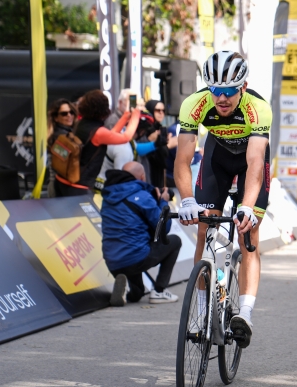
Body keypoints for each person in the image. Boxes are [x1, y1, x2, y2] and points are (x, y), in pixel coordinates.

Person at [175, 51, 272, 348]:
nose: (222, 98)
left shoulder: (258, 109)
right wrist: (188, 200)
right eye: (216, 91)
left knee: (248, 234)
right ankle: (204, 311)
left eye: (230, 91)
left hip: (249, 164)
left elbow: (255, 162)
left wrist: (246, 206)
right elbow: (182, 160)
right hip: (217, 158)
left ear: (243, 87)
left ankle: (244, 314)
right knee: (204, 228)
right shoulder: (195, 104)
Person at [103, 161, 182, 306]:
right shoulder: (142, 196)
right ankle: (159, 291)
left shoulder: (108, 196)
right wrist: (163, 202)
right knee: (175, 241)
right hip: (135, 256)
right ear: (142, 177)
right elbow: (163, 228)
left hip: (112, 261)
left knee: (138, 294)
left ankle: (127, 290)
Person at [54, 90, 141, 197]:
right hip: (78, 186)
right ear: (103, 109)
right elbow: (126, 137)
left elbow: (110, 135)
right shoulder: (98, 132)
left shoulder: (81, 124)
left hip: (62, 180)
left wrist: (126, 116)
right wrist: (136, 116)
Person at [94, 111, 177, 192]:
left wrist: (155, 144)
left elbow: (137, 148)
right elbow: (121, 177)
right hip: (105, 189)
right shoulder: (122, 148)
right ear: (140, 130)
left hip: (107, 185)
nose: (143, 134)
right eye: (143, 131)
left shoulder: (124, 137)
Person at [46, 99, 77, 198]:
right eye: (64, 114)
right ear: (56, 118)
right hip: (59, 186)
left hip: (63, 186)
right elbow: (63, 166)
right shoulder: (59, 137)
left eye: (71, 112)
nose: (69, 116)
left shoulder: (69, 133)